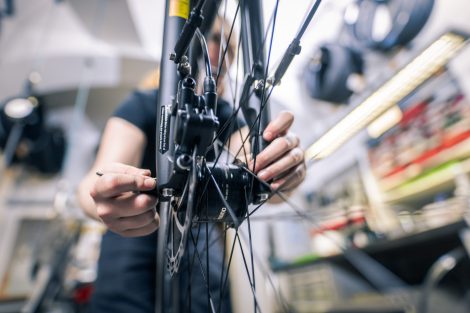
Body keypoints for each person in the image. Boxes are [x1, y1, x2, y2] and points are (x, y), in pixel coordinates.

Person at [77, 17, 306, 313]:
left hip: (197, 230)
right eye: (213, 38)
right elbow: (97, 176)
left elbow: (252, 159)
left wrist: (278, 165)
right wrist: (101, 197)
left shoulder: (225, 112)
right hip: (135, 228)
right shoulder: (143, 103)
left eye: (230, 48)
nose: (221, 50)